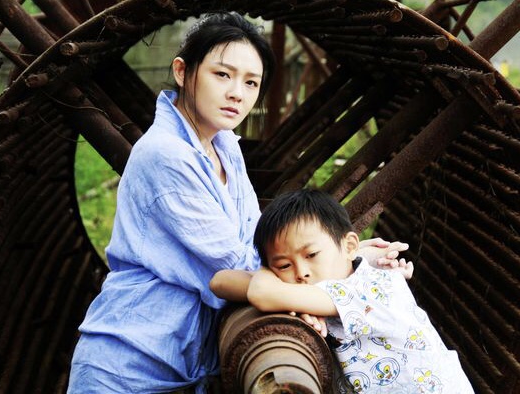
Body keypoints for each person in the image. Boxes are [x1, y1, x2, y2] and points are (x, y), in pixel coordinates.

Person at [68, 12, 407, 394]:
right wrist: (338, 280)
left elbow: (259, 242)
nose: (237, 93)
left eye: (251, 83)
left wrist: (349, 255)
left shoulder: (225, 146)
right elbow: (237, 263)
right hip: (129, 364)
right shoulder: (165, 155)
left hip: (185, 368)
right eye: (222, 75)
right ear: (182, 71)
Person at [211, 189, 474, 393]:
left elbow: (261, 294)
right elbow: (220, 282)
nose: (301, 272)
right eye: (284, 264)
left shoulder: (368, 288)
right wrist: (276, 280)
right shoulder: (327, 285)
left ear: (349, 246)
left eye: (312, 254)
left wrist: (276, 279)